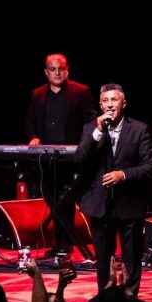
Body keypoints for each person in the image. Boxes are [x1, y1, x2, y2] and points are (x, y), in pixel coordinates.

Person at [74, 83, 152, 296]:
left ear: (123, 103)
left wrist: (123, 174)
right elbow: (79, 159)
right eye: (105, 101)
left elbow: (149, 166)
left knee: (131, 256)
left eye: (114, 100)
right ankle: (105, 300)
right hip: (99, 204)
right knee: (103, 258)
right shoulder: (91, 128)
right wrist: (98, 131)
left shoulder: (139, 129)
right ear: (100, 105)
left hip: (129, 202)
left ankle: (131, 300)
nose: (110, 105)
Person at [24, 53, 96, 253]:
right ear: (46, 72)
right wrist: (34, 137)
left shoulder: (81, 91)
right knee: (54, 198)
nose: (57, 73)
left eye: (61, 69)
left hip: (74, 157)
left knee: (68, 198)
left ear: (67, 70)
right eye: (53, 69)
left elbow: (91, 122)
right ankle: (62, 244)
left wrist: (83, 145)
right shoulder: (38, 94)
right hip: (47, 158)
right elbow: (30, 121)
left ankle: (68, 244)